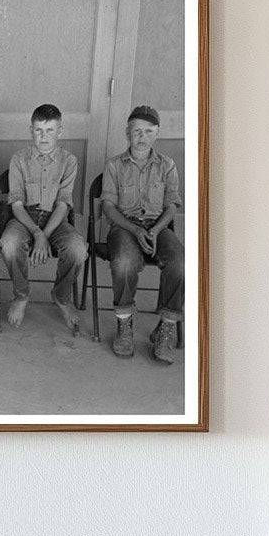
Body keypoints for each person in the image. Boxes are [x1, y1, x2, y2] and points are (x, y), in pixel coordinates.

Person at [101, 105, 184, 363]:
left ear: (156, 134)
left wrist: (156, 230)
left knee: (181, 264)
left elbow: (171, 205)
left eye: (148, 131)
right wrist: (135, 229)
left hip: (158, 226)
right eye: (137, 131)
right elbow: (108, 207)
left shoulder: (167, 166)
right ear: (128, 132)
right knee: (125, 262)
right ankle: (124, 326)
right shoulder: (114, 165)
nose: (142, 136)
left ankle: (166, 327)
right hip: (124, 226)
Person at [0, 103, 87, 331]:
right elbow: (16, 204)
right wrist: (37, 234)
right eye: (38, 130)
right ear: (31, 131)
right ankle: (21, 294)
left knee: (78, 249)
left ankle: (61, 296)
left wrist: (44, 235)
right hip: (24, 218)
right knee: (9, 243)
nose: (43, 136)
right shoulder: (19, 159)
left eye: (49, 130)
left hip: (56, 220)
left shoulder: (69, 161)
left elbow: (63, 204)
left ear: (60, 131)